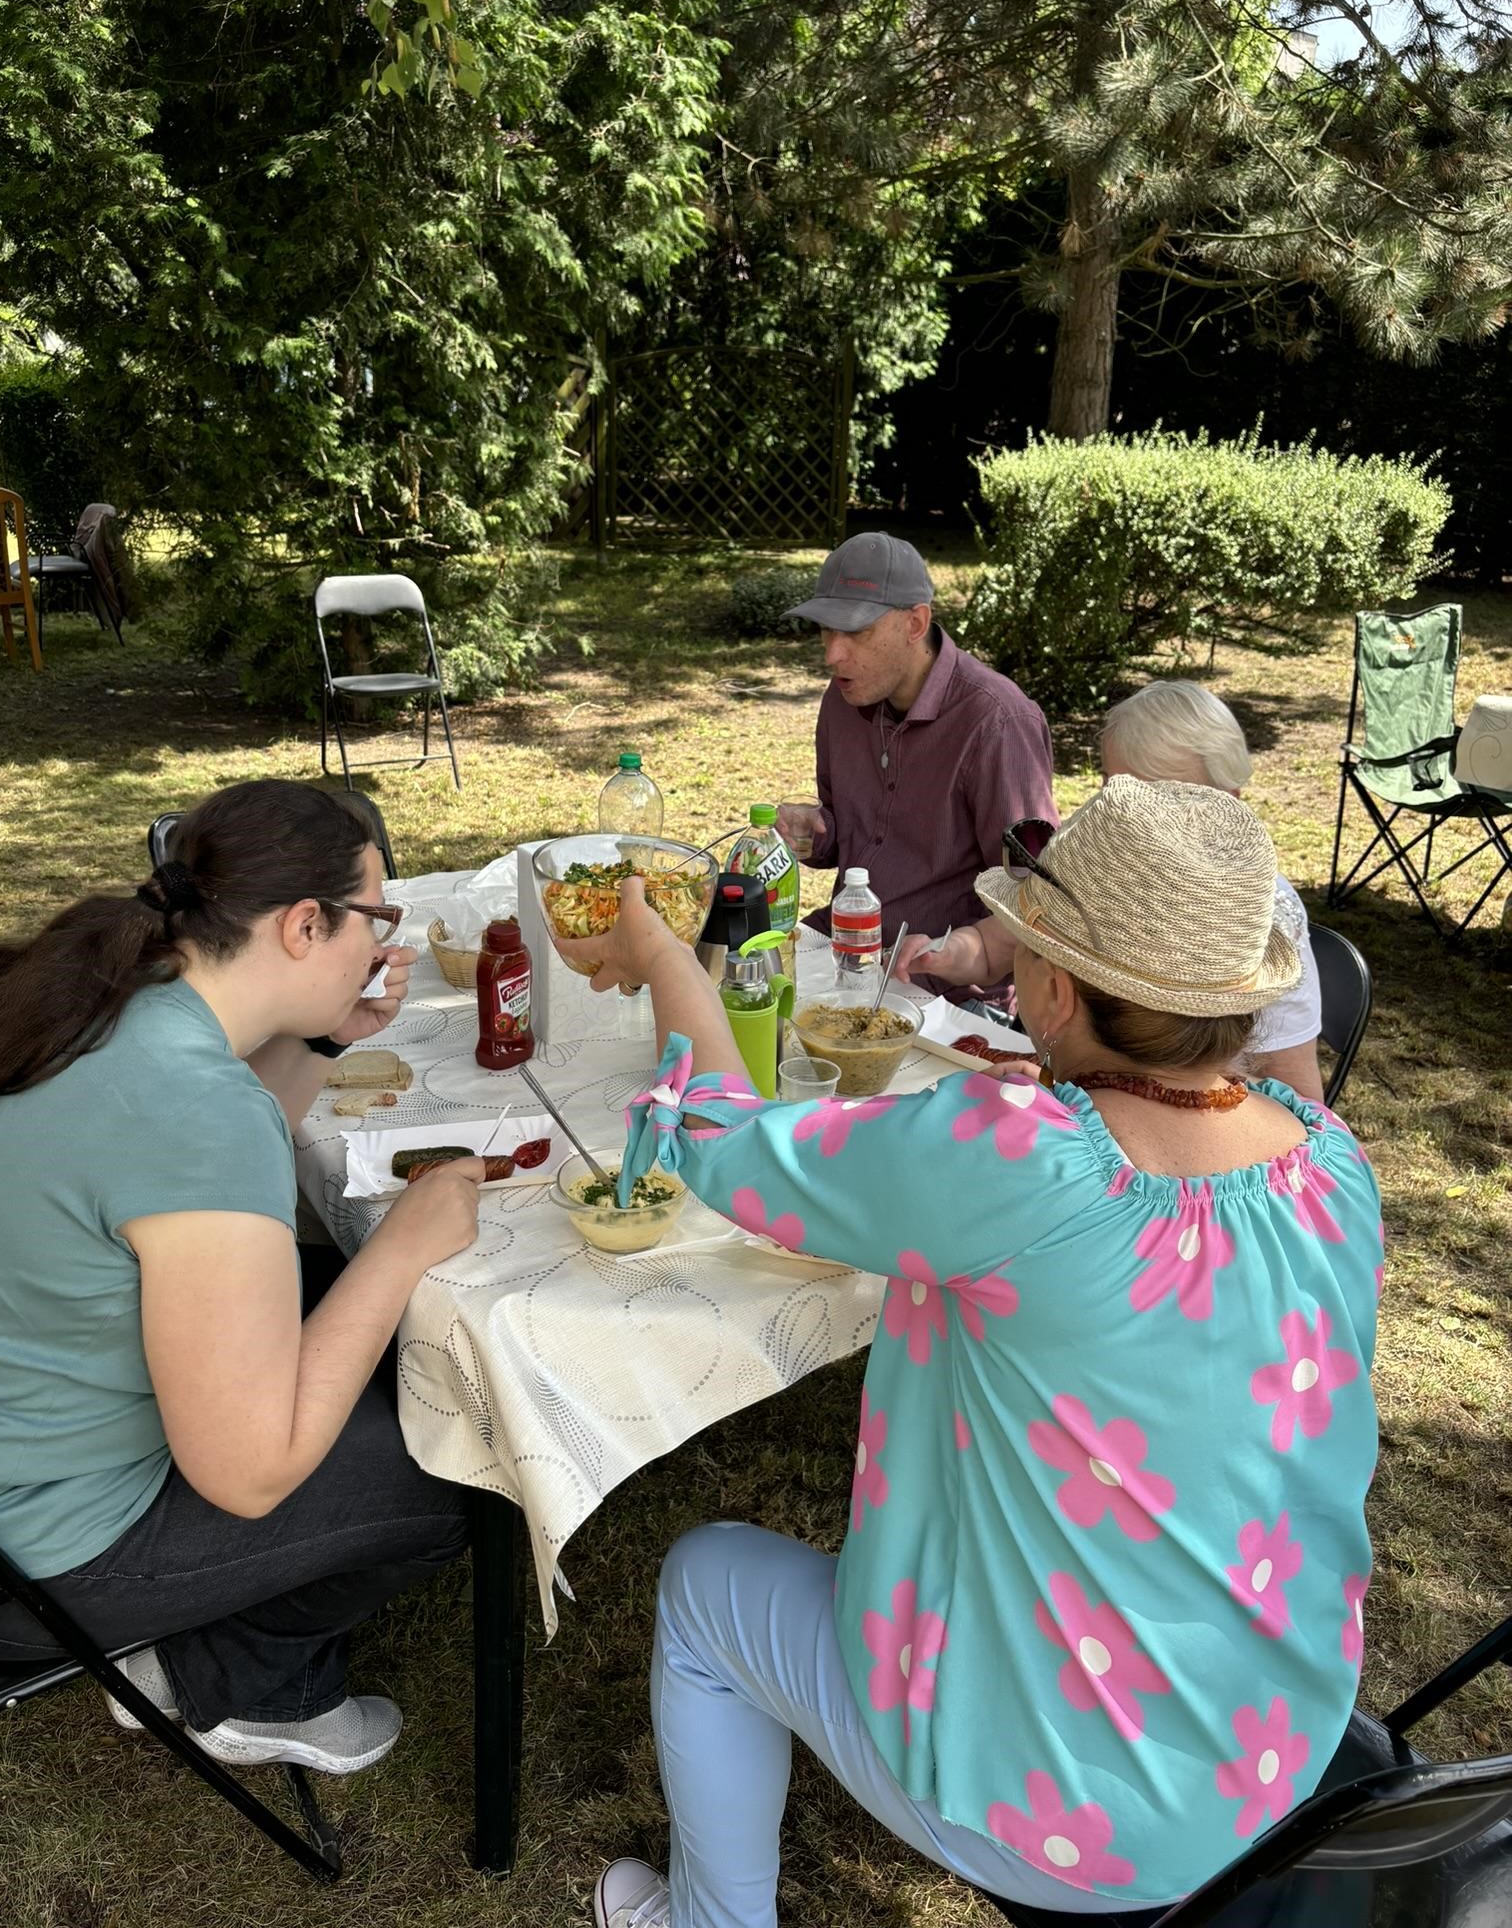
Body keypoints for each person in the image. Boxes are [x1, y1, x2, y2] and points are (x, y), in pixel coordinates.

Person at [559, 776, 1382, 1927]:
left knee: (703, 1586)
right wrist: (1049, 1113)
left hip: (1083, 1817)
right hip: (1278, 1744)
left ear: (1045, 983)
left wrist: (663, 957)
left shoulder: (1026, 1157)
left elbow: (718, 1134)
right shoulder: (1330, 1154)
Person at [0, 781, 487, 1773]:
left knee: (336, 1307)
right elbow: (248, 1470)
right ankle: (233, 1676)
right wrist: (400, 1246)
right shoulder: (192, 1105)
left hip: (10, 1455)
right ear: (306, 923)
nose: (381, 943)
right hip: (44, 1555)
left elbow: (192, 1166)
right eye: (374, 920)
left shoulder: (124, 990)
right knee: (463, 1460)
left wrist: (329, 1037)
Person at [774, 530, 1055, 997]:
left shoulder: (996, 721)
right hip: (843, 949)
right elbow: (858, 839)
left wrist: (959, 955)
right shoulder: (844, 697)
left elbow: (1035, 895)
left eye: (857, 632)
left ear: (915, 623)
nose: (832, 654)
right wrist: (815, 833)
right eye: (826, 629)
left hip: (944, 990)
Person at [1098, 680, 1325, 1100]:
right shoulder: (1097, 872)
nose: (1126, 819)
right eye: (1111, 789)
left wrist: (1174, 1087)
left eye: (1163, 798)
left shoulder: (1263, 915)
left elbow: (1301, 1097)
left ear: (1230, 804)